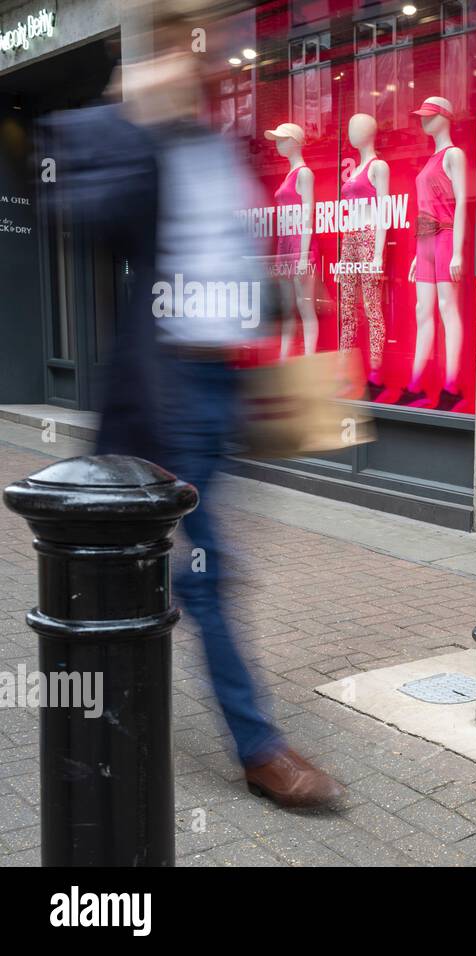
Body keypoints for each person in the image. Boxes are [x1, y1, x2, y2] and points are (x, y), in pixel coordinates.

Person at [44, 5, 343, 808]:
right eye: (200, 36)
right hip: (161, 392)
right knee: (202, 570)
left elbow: (223, 263)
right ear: (171, 46)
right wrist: (134, 115)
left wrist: (281, 293)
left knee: (192, 570)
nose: (224, 53)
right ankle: (257, 747)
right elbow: (80, 216)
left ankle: (112, 689)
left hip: (222, 391)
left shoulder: (220, 147)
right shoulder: (130, 132)